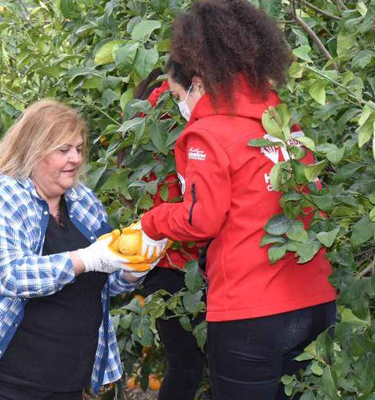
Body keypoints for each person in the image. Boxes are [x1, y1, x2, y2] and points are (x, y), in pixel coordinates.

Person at [134, 1, 337, 398]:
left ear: (199, 81)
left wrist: (154, 221)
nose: (182, 106)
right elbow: (311, 197)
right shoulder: (283, 125)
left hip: (251, 310)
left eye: (178, 94)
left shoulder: (207, 134)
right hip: (313, 301)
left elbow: (201, 220)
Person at [0, 100, 163, 400]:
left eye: (79, 149)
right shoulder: (1, 197)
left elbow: (104, 280)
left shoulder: (82, 200)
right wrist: (85, 258)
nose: (75, 159)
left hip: (63, 377)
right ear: (34, 150)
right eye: (63, 150)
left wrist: (134, 269)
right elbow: (10, 276)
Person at [133, 70, 207, 400]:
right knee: (197, 366)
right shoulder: (171, 104)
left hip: (163, 259)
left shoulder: (145, 112)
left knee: (185, 366)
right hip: (182, 258)